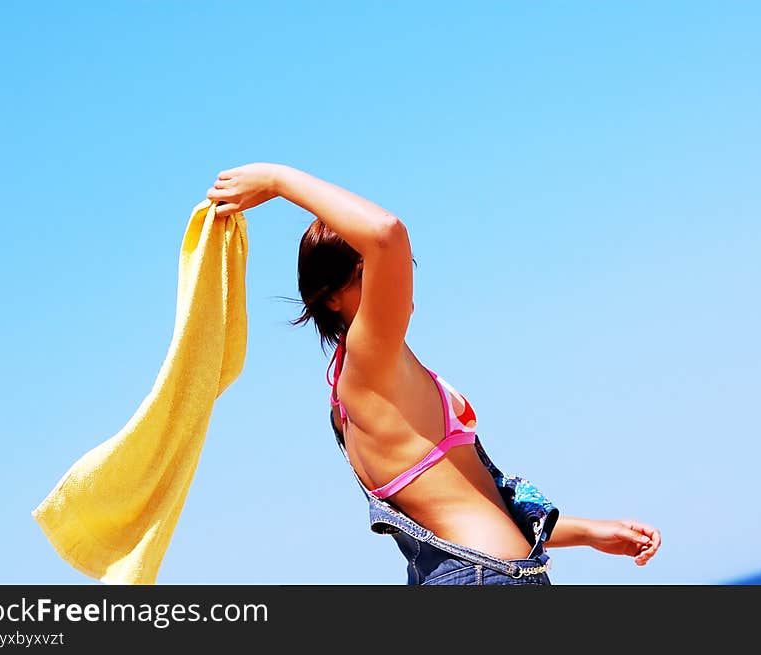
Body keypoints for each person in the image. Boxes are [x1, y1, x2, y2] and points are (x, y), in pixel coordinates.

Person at [206, 162, 662, 585]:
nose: (395, 275)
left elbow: (469, 501)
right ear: (330, 297)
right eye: (367, 270)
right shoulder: (368, 364)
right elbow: (386, 233)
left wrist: (589, 533)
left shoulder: (364, 386)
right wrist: (276, 180)